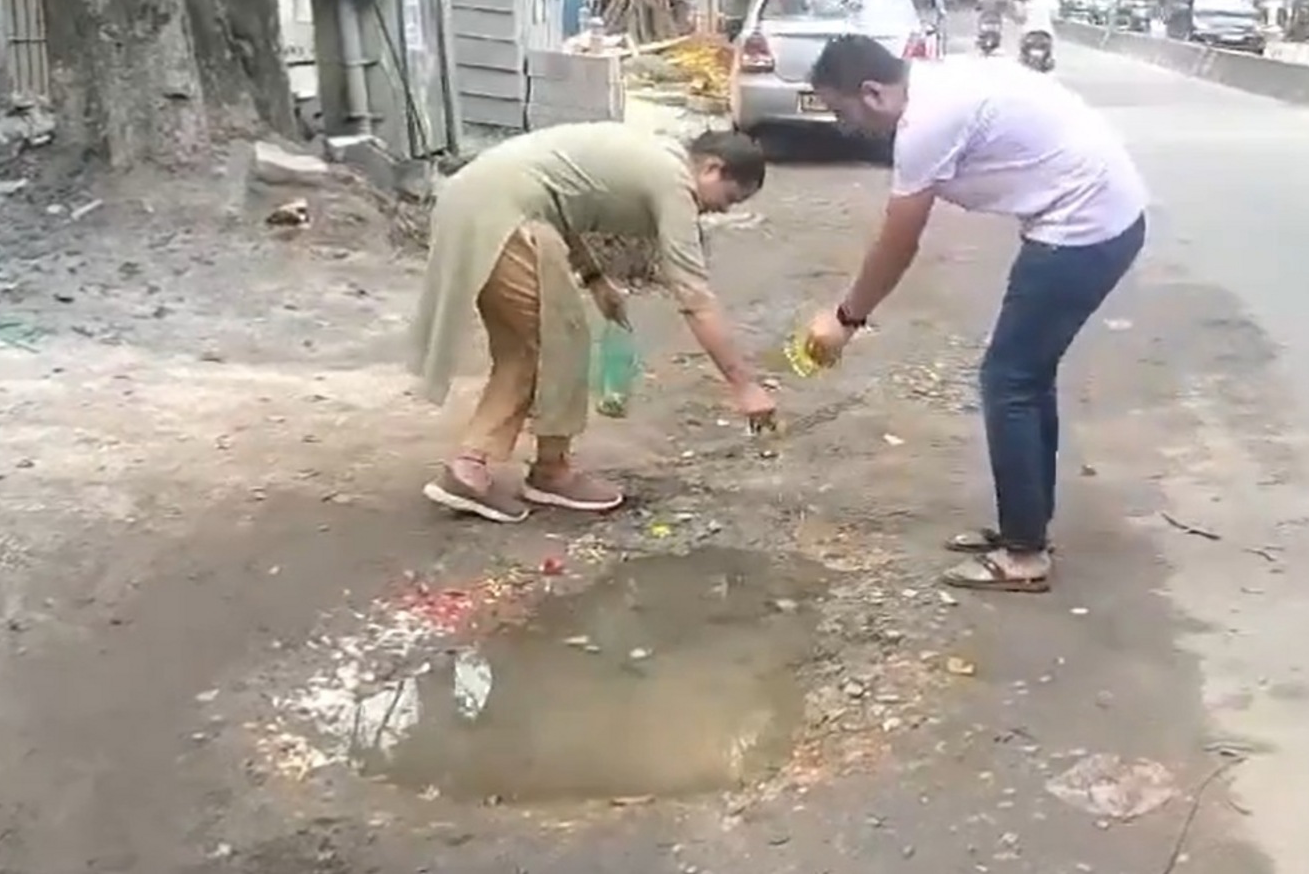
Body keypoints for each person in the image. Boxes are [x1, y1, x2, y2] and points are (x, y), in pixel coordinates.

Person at [801, 36, 1147, 593]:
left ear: (872, 92)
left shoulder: (925, 121)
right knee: (1025, 378)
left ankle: (1025, 556)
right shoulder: (938, 83)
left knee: (1008, 381)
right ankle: (1026, 527)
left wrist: (845, 318)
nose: (847, 128)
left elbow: (900, 240)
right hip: (1101, 216)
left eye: (844, 113)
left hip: (1084, 229)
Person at [410, 123, 775, 523]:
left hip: (485, 205)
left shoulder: (658, 158)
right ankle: (479, 466)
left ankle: (542, 466)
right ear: (712, 168)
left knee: (545, 342)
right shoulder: (674, 184)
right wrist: (745, 386)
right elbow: (695, 298)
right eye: (730, 198)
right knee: (543, 347)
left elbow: (560, 205)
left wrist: (595, 278)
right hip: (501, 214)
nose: (723, 210)